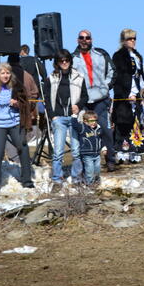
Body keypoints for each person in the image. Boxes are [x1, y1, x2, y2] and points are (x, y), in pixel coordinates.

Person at [0, 63, 35, 196]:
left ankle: (27, 180)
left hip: (14, 123)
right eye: (3, 73)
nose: (5, 75)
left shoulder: (17, 87)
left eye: (8, 73)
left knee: (23, 148)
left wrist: (17, 105)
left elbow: (26, 104)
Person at [72, 29, 117, 171]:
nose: (84, 40)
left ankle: (110, 159)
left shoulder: (101, 54)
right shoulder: (73, 57)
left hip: (100, 99)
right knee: (83, 132)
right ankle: (84, 164)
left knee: (105, 129)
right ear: (78, 40)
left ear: (91, 40)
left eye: (87, 38)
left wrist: (106, 86)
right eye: (82, 37)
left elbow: (113, 72)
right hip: (83, 101)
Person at [43, 49, 88, 192]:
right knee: (58, 152)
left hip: (74, 117)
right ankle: (57, 180)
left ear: (70, 61)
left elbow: (85, 96)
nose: (64, 63)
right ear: (57, 62)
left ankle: (76, 179)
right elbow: (47, 100)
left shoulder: (79, 77)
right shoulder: (51, 78)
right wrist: (52, 116)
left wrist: (78, 106)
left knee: (76, 150)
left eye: (66, 60)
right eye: (61, 60)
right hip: (59, 119)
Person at [112, 29, 144, 164]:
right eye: (129, 39)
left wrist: (142, 93)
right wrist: (126, 94)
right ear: (123, 41)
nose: (132, 41)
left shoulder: (137, 56)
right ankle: (122, 154)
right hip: (124, 96)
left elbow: (140, 77)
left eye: (134, 38)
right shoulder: (118, 56)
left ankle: (135, 154)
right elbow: (118, 78)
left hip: (137, 95)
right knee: (123, 125)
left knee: (136, 124)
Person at [71, 110, 103, 186]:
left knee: (97, 169)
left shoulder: (98, 129)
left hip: (97, 154)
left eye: (95, 120)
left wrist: (103, 147)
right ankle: (90, 184)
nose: (94, 122)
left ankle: (96, 180)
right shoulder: (83, 128)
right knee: (90, 170)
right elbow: (74, 125)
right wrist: (74, 115)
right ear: (85, 121)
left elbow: (102, 139)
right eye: (91, 121)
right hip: (87, 155)